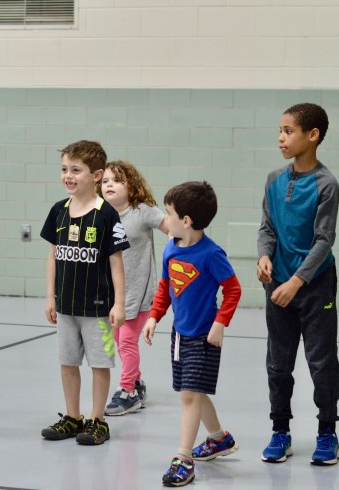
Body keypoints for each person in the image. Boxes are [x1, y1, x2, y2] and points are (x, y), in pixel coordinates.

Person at [257, 103, 339, 466]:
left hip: (314, 285)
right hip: (278, 285)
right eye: (280, 130)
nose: (281, 137)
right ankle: (280, 430)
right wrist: (264, 256)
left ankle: (327, 432)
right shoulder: (274, 179)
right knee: (278, 363)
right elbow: (267, 227)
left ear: (313, 135)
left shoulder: (327, 184)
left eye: (288, 131)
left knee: (321, 362)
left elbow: (324, 241)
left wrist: (297, 281)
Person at [143, 181, 241, 487]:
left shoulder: (211, 254)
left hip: (203, 337)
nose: (165, 219)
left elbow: (233, 289)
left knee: (189, 395)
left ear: (186, 220)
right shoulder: (171, 248)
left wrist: (220, 323)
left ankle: (183, 459)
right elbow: (165, 287)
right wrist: (154, 316)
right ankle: (219, 439)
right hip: (180, 335)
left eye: (169, 213)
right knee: (193, 392)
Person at [39, 140, 129, 446]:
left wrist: (119, 303)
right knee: (68, 362)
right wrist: (50, 297)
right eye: (65, 169)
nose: (68, 175)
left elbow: (116, 263)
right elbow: (53, 257)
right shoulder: (58, 211)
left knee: (100, 364)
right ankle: (73, 417)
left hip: (98, 309)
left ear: (96, 175)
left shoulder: (107, 215)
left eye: (76, 170)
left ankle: (97, 420)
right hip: (66, 306)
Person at [100, 160, 168, 416]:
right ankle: (137, 382)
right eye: (105, 181)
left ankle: (127, 391)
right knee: (119, 342)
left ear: (131, 186)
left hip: (140, 294)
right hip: (115, 296)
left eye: (117, 181)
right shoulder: (101, 215)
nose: (109, 185)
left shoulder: (143, 211)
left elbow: (172, 229)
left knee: (127, 342)